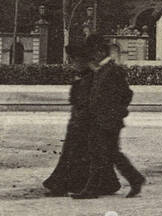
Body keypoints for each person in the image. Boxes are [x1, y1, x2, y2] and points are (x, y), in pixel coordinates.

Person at [71, 33, 145, 199]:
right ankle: (134, 180)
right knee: (106, 153)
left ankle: (92, 189)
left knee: (103, 153)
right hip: (101, 120)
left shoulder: (112, 70)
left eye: (93, 53)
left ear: (99, 52)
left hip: (108, 121)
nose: (91, 57)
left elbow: (127, 94)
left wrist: (116, 113)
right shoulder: (103, 70)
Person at [42, 38, 93, 196]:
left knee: (76, 154)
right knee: (76, 154)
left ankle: (63, 185)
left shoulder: (89, 77)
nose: (72, 63)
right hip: (78, 122)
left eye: (75, 60)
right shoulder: (83, 76)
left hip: (83, 123)